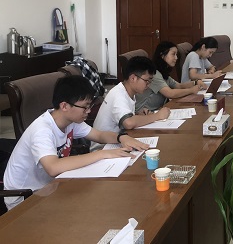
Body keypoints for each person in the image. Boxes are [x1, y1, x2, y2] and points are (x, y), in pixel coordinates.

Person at [3, 76, 148, 211]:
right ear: (64, 106)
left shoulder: (70, 120)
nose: (89, 111)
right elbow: (53, 167)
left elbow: (98, 135)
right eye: (85, 107)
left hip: (49, 186)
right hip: (25, 197)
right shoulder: (42, 130)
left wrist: (122, 137)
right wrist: (102, 154)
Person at [91, 56, 170, 151]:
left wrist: (137, 115)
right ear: (133, 78)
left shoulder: (128, 91)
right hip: (103, 147)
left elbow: (125, 118)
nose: (148, 85)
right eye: (147, 81)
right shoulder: (119, 94)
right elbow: (128, 123)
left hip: (118, 141)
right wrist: (157, 116)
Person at [135, 41, 205, 114]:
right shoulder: (154, 74)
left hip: (158, 110)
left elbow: (178, 86)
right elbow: (170, 93)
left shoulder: (162, 71)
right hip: (145, 114)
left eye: (176, 55)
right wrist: (191, 90)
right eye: (173, 54)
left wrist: (195, 82)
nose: (176, 58)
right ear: (162, 55)